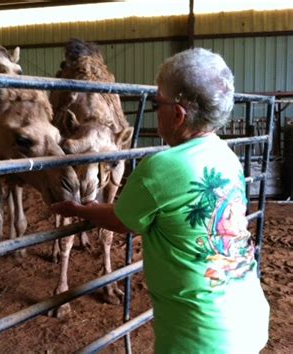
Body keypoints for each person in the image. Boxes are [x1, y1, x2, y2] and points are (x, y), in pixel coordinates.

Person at [51, 48, 270, 353]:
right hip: (248, 315)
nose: (156, 110)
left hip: (199, 335)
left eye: (157, 104)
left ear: (178, 115)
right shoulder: (226, 156)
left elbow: (122, 220)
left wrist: (78, 209)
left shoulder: (163, 167)